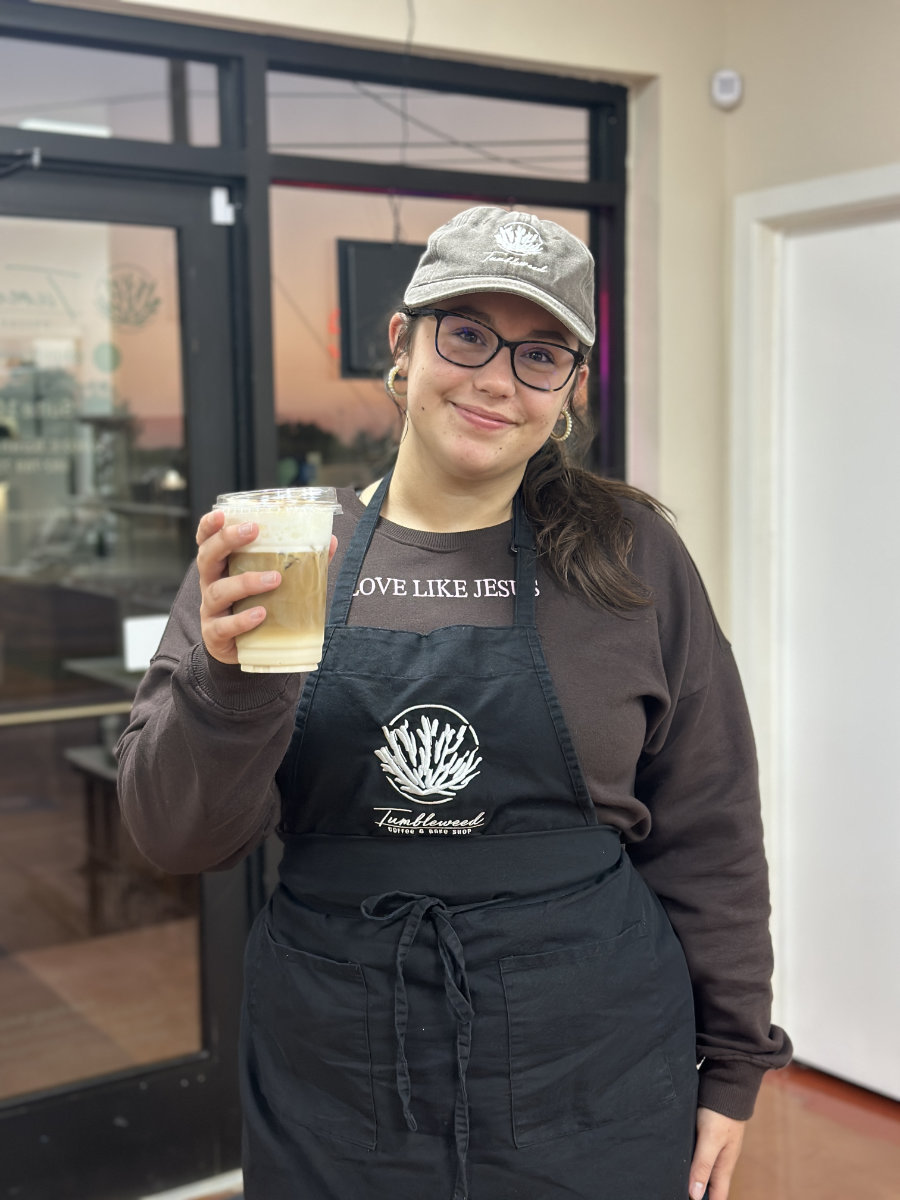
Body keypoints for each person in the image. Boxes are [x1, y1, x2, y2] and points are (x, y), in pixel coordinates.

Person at [117, 206, 791, 1200]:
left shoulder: (630, 558)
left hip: (594, 1070)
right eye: (467, 333)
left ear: (568, 393)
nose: (496, 380)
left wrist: (733, 1064)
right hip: (335, 1077)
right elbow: (177, 836)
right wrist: (229, 679)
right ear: (403, 345)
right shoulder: (276, 557)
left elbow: (712, 824)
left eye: (540, 355)